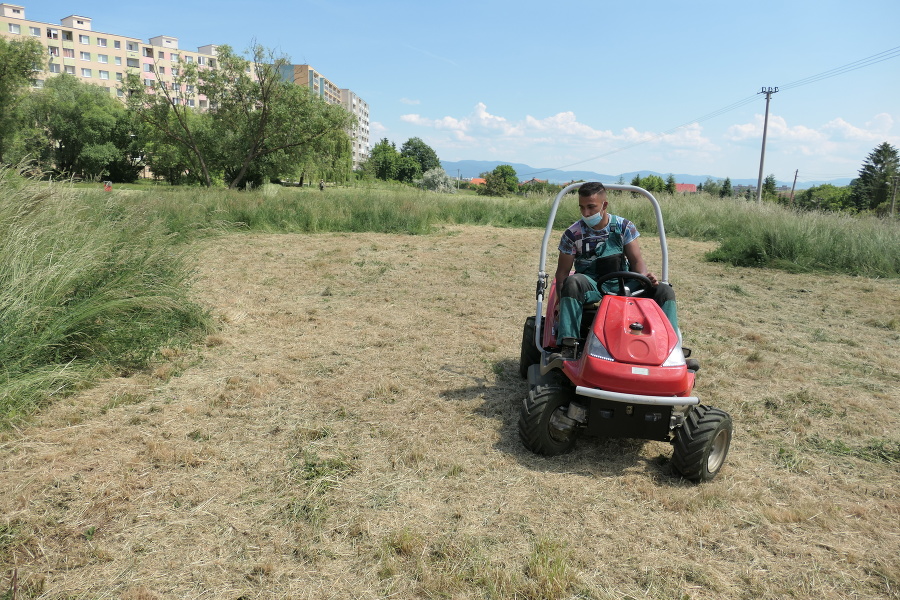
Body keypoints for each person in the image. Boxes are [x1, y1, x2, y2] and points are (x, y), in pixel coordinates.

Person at [552, 181, 679, 360]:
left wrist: (645, 277)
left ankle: (672, 349)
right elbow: (562, 273)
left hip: (625, 283)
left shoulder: (623, 227)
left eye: (591, 207)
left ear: (604, 205)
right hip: (593, 284)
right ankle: (568, 344)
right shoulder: (573, 234)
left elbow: (636, 261)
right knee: (573, 282)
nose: (586, 213)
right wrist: (559, 302)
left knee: (665, 290)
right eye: (582, 207)